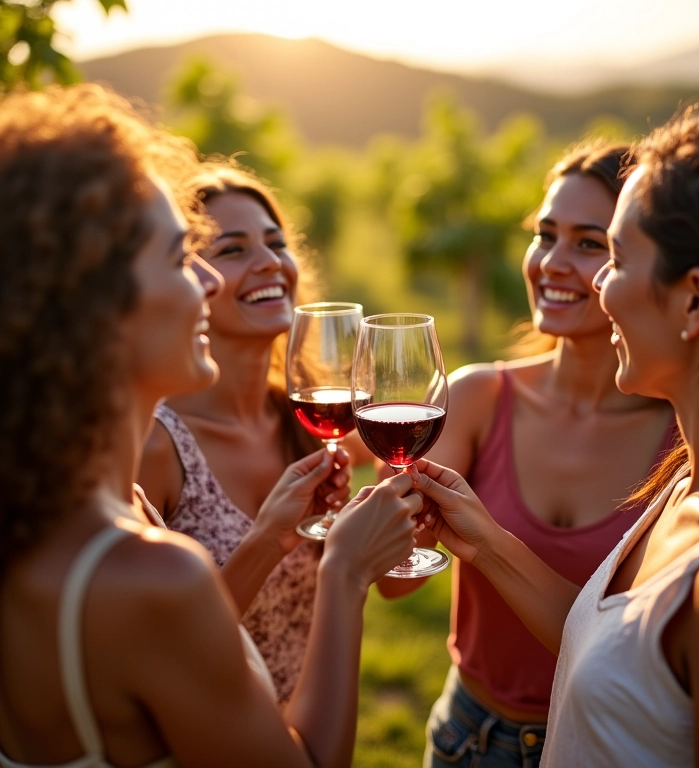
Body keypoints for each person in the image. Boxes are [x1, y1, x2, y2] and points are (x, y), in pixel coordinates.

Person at [0, 82, 420, 768]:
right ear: (91, 305)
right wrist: (344, 571)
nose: (211, 281)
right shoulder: (152, 572)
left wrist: (280, 535)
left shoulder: (76, 517)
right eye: (179, 257)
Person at [412, 106, 699, 767]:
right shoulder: (687, 481)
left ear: (694, 300)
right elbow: (601, 639)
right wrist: (484, 541)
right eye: (546, 235)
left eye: (613, 255)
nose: (595, 281)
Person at [377, 140, 676, 768]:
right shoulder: (478, 396)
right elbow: (394, 585)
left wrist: (486, 542)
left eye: (590, 243)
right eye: (545, 235)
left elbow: (627, 655)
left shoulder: (682, 438)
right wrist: (390, 518)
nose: (552, 264)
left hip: (604, 746)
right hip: (470, 738)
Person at [138, 161, 363, 706]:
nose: (269, 262)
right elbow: (162, 652)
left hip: (307, 727)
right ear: (191, 280)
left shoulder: (304, 419)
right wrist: (269, 542)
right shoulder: (156, 447)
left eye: (276, 243)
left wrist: (406, 502)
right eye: (233, 249)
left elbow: (402, 585)